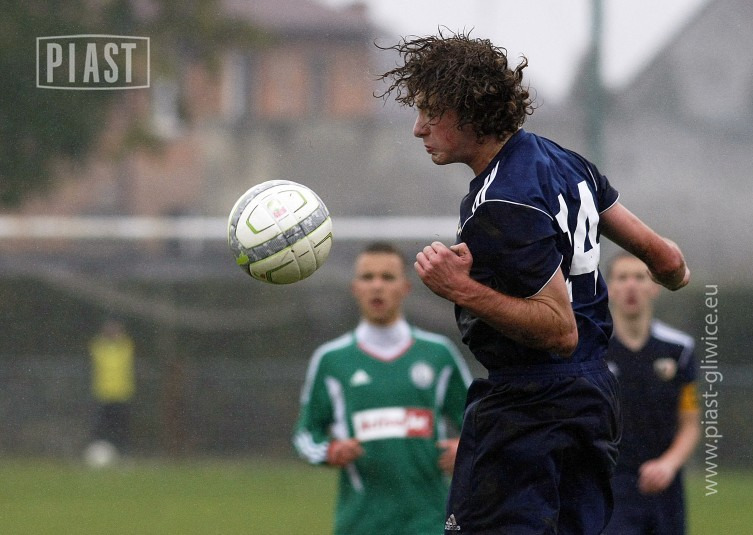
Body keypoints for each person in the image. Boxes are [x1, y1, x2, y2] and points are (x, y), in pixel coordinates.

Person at [377, 31, 690, 534]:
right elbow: (668, 260)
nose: (418, 129)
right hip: (593, 399)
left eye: (430, 113)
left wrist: (459, 288)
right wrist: (669, 276)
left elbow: (558, 330)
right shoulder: (564, 162)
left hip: (530, 409)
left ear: (468, 110)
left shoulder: (502, 202)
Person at [292, 241, 473, 535]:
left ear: (405, 288)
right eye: (368, 277)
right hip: (360, 524)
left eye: (387, 277)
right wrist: (329, 450)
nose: (377, 286)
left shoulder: (439, 354)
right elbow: (305, 435)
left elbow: (478, 424)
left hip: (428, 523)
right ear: (355, 288)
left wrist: (466, 450)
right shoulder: (331, 360)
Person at [603, 252, 700, 535]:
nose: (631, 286)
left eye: (639, 277)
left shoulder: (679, 349)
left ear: (655, 286)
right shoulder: (593, 350)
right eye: (622, 278)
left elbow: (690, 424)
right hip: (611, 485)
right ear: (609, 288)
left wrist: (668, 465)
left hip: (664, 486)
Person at [88, 318, 136, 456]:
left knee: (122, 428)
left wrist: (118, 338)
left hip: (122, 394)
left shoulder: (124, 346)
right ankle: (100, 453)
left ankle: (123, 453)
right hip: (103, 394)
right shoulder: (100, 347)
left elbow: (127, 346)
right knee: (101, 427)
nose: (112, 333)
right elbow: (95, 346)